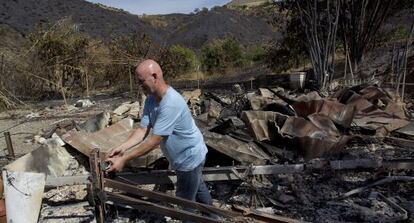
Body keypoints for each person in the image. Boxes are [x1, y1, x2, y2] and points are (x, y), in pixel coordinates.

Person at [106, 59, 213, 206]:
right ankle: (214, 217)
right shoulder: (151, 100)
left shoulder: (170, 102)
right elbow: (143, 129)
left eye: (141, 81)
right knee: (197, 188)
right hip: (183, 158)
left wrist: (125, 159)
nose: (139, 85)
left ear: (155, 77)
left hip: (189, 157)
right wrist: (123, 147)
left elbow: (154, 140)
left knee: (185, 204)